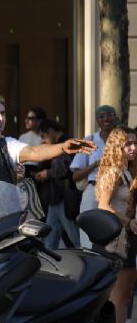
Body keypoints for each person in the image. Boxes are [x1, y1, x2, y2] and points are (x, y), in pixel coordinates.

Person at [94, 127, 137, 323]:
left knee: (124, 295)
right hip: (116, 237)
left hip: (127, 235)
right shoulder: (113, 171)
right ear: (116, 147)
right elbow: (104, 206)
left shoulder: (126, 170)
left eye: (135, 143)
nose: (133, 148)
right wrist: (129, 222)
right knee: (119, 296)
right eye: (128, 143)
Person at [71, 105, 120, 248]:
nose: (106, 119)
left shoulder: (123, 139)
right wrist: (95, 164)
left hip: (118, 191)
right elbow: (75, 176)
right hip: (93, 190)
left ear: (116, 117)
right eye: (101, 116)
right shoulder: (89, 141)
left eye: (109, 115)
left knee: (116, 231)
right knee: (88, 232)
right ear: (97, 121)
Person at [36, 119, 80, 248]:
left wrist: (47, 173)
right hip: (56, 197)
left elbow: (66, 169)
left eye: (44, 136)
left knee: (75, 237)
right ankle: (50, 263)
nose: (44, 139)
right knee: (50, 238)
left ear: (50, 131)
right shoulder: (60, 144)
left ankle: (88, 260)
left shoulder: (66, 144)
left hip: (64, 197)